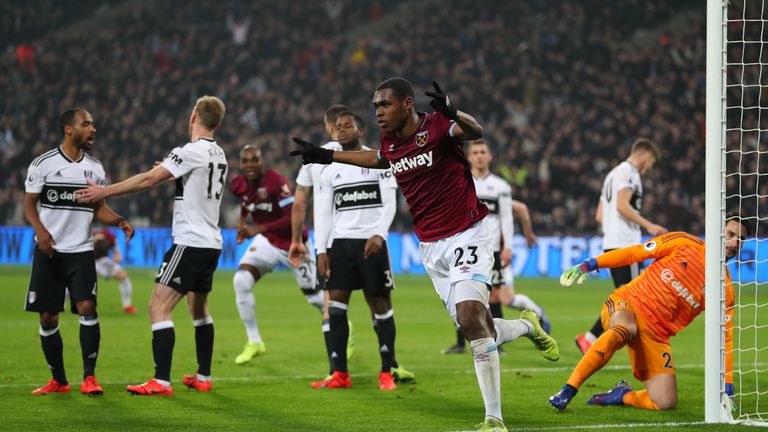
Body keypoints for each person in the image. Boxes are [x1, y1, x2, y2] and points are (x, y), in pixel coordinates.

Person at [290, 77, 558, 432]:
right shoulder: (391, 140)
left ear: (406, 104)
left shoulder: (437, 127)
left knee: (471, 316)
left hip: (469, 233)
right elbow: (380, 159)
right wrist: (328, 156)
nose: (378, 112)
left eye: (384, 105)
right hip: (431, 247)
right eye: (375, 106)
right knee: (474, 327)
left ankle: (494, 419)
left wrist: (453, 111)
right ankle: (527, 325)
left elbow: (474, 131)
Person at [76, 96, 227, 396]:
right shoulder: (219, 153)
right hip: (211, 242)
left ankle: (161, 381)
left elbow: (147, 180)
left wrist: (103, 192)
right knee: (199, 309)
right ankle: (204, 376)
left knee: (158, 306)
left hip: (190, 241)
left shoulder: (190, 151)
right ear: (218, 124)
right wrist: (174, 173)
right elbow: (196, 186)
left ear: (193, 115)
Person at [548, 215, 749, 412]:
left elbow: (726, 337)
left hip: (657, 335)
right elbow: (635, 253)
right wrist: (592, 264)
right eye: (731, 234)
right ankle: (568, 389)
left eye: (740, 239)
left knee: (665, 402)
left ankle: (622, 395)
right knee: (624, 328)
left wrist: (728, 388)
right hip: (629, 304)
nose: (734, 242)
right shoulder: (682, 242)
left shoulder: (726, 289)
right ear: (718, 232)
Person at [24, 108, 134, 396]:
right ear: (68, 129)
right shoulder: (43, 164)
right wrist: (41, 231)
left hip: (82, 251)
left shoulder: (95, 168)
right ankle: (59, 380)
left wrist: (120, 220)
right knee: (48, 316)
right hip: (49, 251)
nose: (93, 129)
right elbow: (28, 205)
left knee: (87, 307)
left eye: (93, 124)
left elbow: (99, 209)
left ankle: (89, 377)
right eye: (86, 124)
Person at [310, 111, 403, 390]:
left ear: (360, 131)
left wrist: (380, 233)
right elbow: (324, 212)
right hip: (341, 245)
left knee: (381, 307)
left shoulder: (378, 160)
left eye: (347, 126)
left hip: (371, 243)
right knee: (336, 308)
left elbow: (390, 203)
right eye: (337, 127)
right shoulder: (330, 168)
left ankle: (387, 371)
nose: (341, 130)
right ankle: (340, 374)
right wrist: (321, 250)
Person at [443, 140, 549, 355]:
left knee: (494, 296)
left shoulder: (500, 186)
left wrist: (508, 247)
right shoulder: (462, 182)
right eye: (475, 152)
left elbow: (507, 219)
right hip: (464, 246)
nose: (480, 156)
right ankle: (460, 343)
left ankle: (496, 342)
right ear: (469, 157)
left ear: (489, 156)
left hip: (492, 249)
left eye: (483, 152)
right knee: (460, 291)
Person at [230, 145, 321, 364]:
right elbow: (247, 203)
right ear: (241, 164)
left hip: (294, 243)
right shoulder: (237, 183)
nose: (250, 165)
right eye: (246, 161)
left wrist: (256, 229)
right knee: (241, 280)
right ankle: (255, 342)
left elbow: (292, 216)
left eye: (255, 160)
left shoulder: (275, 181)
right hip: (269, 242)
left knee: (316, 298)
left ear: (262, 162)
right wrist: (243, 225)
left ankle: (342, 325)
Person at [575, 138, 668, 355]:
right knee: (636, 296)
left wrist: (614, 228)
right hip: (627, 245)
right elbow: (621, 204)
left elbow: (599, 215)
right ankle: (638, 347)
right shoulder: (629, 173)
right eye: (651, 162)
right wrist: (649, 225)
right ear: (646, 155)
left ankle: (589, 338)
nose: (649, 167)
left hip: (612, 243)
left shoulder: (611, 175)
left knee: (626, 295)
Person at [287, 104, 358, 375]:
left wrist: (296, 240)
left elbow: (300, 201)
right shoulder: (364, 154)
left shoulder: (316, 157)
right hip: (364, 235)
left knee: (331, 304)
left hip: (330, 241)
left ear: (329, 125)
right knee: (379, 303)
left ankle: (336, 369)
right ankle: (390, 368)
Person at [93, 228, 137, 314]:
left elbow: (117, 254)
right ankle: (64, 303)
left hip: (104, 261)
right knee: (76, 282)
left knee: (124, 277)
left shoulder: (111, 237)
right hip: (90, 262)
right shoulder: (87, 236)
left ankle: (127, 306)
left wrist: (116, 258)